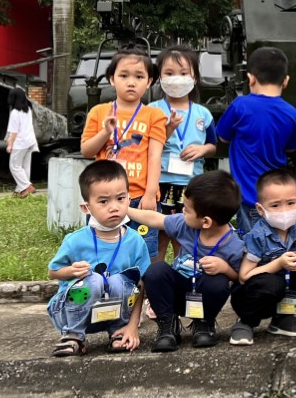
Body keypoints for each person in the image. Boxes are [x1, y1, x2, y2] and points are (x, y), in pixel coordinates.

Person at [126, 170, 244, 351]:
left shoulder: (234, 245)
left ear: (206, 222)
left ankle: (204, 323)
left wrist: (225, 268)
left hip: (203, 298)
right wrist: (125, 210)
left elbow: (240, 278)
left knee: (218, 282)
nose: (183, 211)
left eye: (187, 210)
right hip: (177, 295)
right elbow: (155, 219)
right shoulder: (185, 224)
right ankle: (168, 325)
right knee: (156, 271)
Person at [46, 161, 150, 356]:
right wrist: (71, 271)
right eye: (103, 202)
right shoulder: (75, 240)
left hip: (114, 312)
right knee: (93, 281)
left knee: (121, 281)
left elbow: (141, 285)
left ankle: (119, 331)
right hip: (74, 312)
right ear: (86, 207)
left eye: (120, 198)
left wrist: (133, 325)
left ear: (129, 199)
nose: (114, 207)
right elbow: (53, 272)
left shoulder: (135, 241)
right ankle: (73, 335)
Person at [80, 47, 168, 247]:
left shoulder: (154, 116)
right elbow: (86, 151)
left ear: (149, 81)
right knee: (102, 247)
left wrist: (150, 194)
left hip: (139, 197)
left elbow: (155, 156)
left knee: (143, 249)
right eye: (123, 75)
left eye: (139, 76)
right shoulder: (99, 112)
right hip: (104, 197)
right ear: (112, 79)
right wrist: (105, 132)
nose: (131, 82)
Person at [216, 46, 296, 232]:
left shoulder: (240, 106)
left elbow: (223, 137)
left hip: (248, 196)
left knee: (251, 243)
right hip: (276, 196)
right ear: (286, 81)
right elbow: (291, 148)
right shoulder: (291, 113)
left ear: (251, 79)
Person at [229, 168, 296, 345]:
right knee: (272, 284)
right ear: (260, 209)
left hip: (282, 288)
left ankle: (283, 317)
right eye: (275, 205)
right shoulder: (257, 235)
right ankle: (246, 321)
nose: (285, 211)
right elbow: (244, 276)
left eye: (291, 203)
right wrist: (279, 263)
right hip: (253, 293)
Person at [152, 46, 218, 260]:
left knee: (186, 236)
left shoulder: (203, 113)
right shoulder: (152, 110)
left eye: (183, 73)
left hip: (191, 186)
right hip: (159, 184)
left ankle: (181, 274)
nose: (176, 79)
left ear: (195, 77)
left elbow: (213, 145)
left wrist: (202, 149)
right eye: (169, 73)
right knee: (159, 236)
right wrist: (168, 130)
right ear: (159, 77)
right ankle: (155, 277)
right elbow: (147, 147)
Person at [4, 86, 38, 198]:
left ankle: (27, 186)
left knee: (14, 166)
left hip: (20, 142)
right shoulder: (28, 109)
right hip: (30, 141)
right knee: (25, 166)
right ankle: (20, 190)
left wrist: (10, 144)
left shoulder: (15, 112)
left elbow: (14, 132)